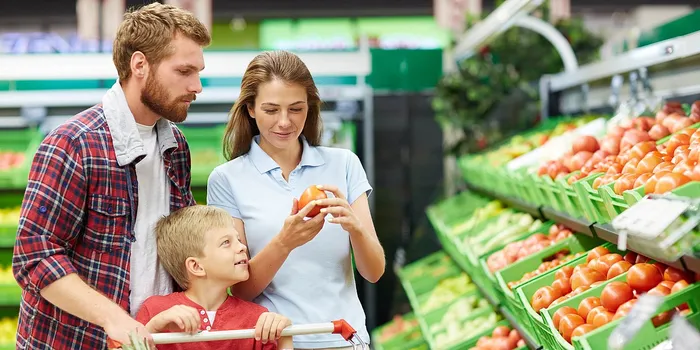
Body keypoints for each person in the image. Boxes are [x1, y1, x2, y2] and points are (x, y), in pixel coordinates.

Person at [11, 3, 210, 348]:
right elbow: (35, 256)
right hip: (77, 341)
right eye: (184, 71)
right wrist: (115, 319)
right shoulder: (73, 144)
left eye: (198, 72)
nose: (197, 86)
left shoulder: (175, 145)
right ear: (139, 65)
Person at [206, 50, 385, 350]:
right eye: (271, 109)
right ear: (250, 108)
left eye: (296, 109)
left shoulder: (343, 164)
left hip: (344, 339)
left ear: (310, 109)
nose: (285, 122)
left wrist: (355, 229)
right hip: (277, 344)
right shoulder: (226, 180)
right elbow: (239, 291)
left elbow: (374, 272)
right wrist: (285, 242)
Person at [135, 205, 294, 350]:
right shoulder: (156, 310)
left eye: (238, 240)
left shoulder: (258, 318)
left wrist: (285, 337)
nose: (242, 247)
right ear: (196, 266)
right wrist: (153, 328)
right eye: (226, 242)